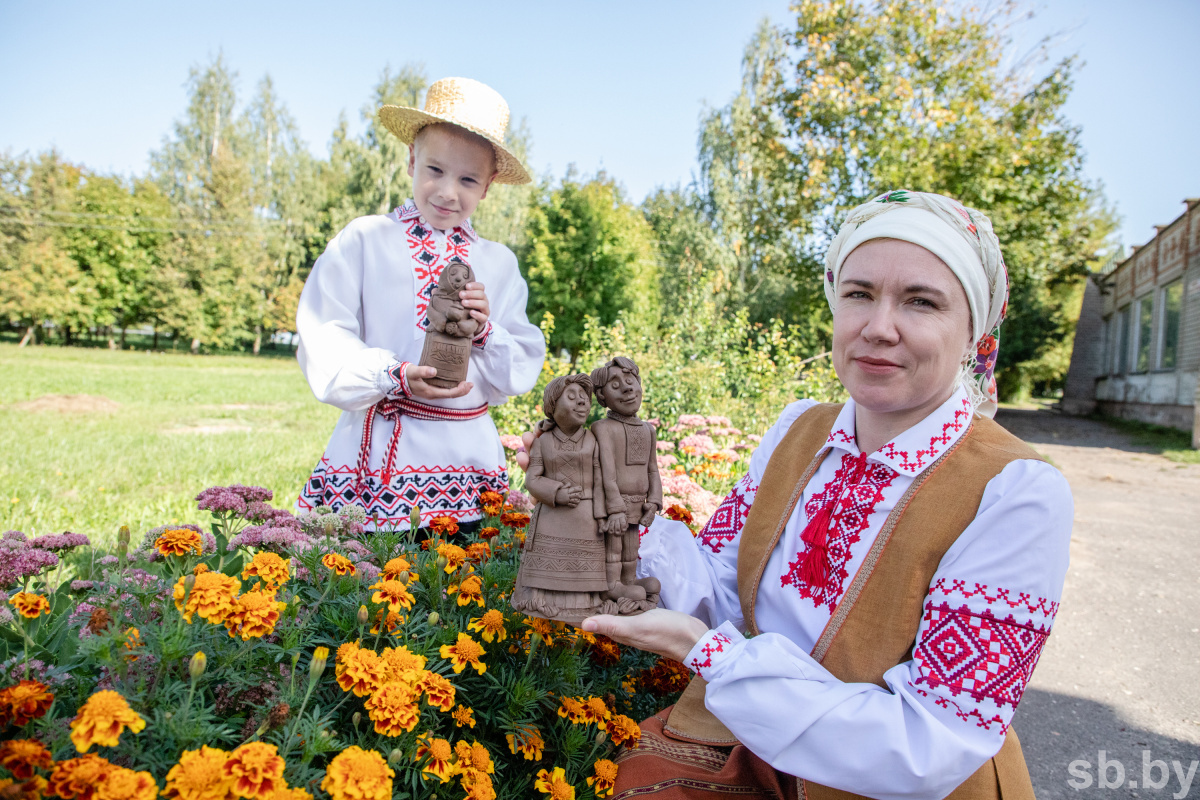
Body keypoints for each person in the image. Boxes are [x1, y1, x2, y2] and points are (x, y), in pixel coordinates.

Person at [522, 191, 1072, 799]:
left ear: (974, 331)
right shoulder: (800, 430)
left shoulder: (1016, 492)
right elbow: (721, 584)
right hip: (755, 744)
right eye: (858, 294)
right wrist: (611, 517)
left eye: (921, 302)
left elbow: (932, 743)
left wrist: (713, 656)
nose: (877, 327)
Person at [296, 77, 545, 532]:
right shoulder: (366, 239)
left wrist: (485, 331)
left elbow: (520, 368)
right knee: (366, 590)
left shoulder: (499, 264)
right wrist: (391, 375)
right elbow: (322, 332)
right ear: (412, 160)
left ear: (488, 186)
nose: (448, 192)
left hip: (469, 464)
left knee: (465, 591)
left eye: (468, 179)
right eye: (435, 170)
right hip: (377, 458)